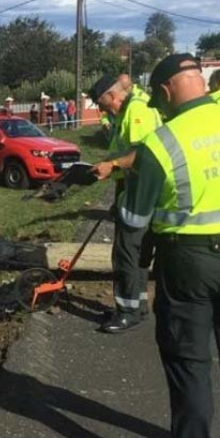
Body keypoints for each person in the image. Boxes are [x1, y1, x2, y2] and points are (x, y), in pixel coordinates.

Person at [105, 53, 220, 438]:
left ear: (166, 91)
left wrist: (131, 294)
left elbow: (133, 223)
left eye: (159, 102)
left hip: (187, 265)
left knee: (189, 365)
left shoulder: (162, 142)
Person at [88, 75, 163, 333]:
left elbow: (142, 153)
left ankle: (127, 311)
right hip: (133, 188)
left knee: (126, 252)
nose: (102, 110)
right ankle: (137, 305)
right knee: (138, 252)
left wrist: (114, 165)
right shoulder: (128, 112)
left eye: (101, 103)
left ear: (112, 96)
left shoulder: (137, 110)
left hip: (141, 191)